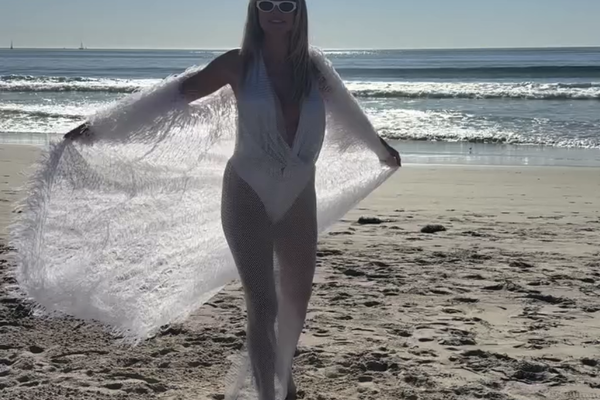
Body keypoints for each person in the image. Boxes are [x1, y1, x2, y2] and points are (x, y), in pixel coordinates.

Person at [63, 0, 400, 399]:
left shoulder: (314, 68)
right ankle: (272, 394)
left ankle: (283, 376)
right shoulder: (237, 64)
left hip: (298, 194)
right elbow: (174, 96)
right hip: (246, 192)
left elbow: (348, 110)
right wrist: (103, 128)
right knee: (263, 303)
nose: (276, 11)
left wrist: (380, 148)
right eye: (266, 3)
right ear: (255, 11)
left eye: (287, 4)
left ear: (299, 12)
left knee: (296, 300)